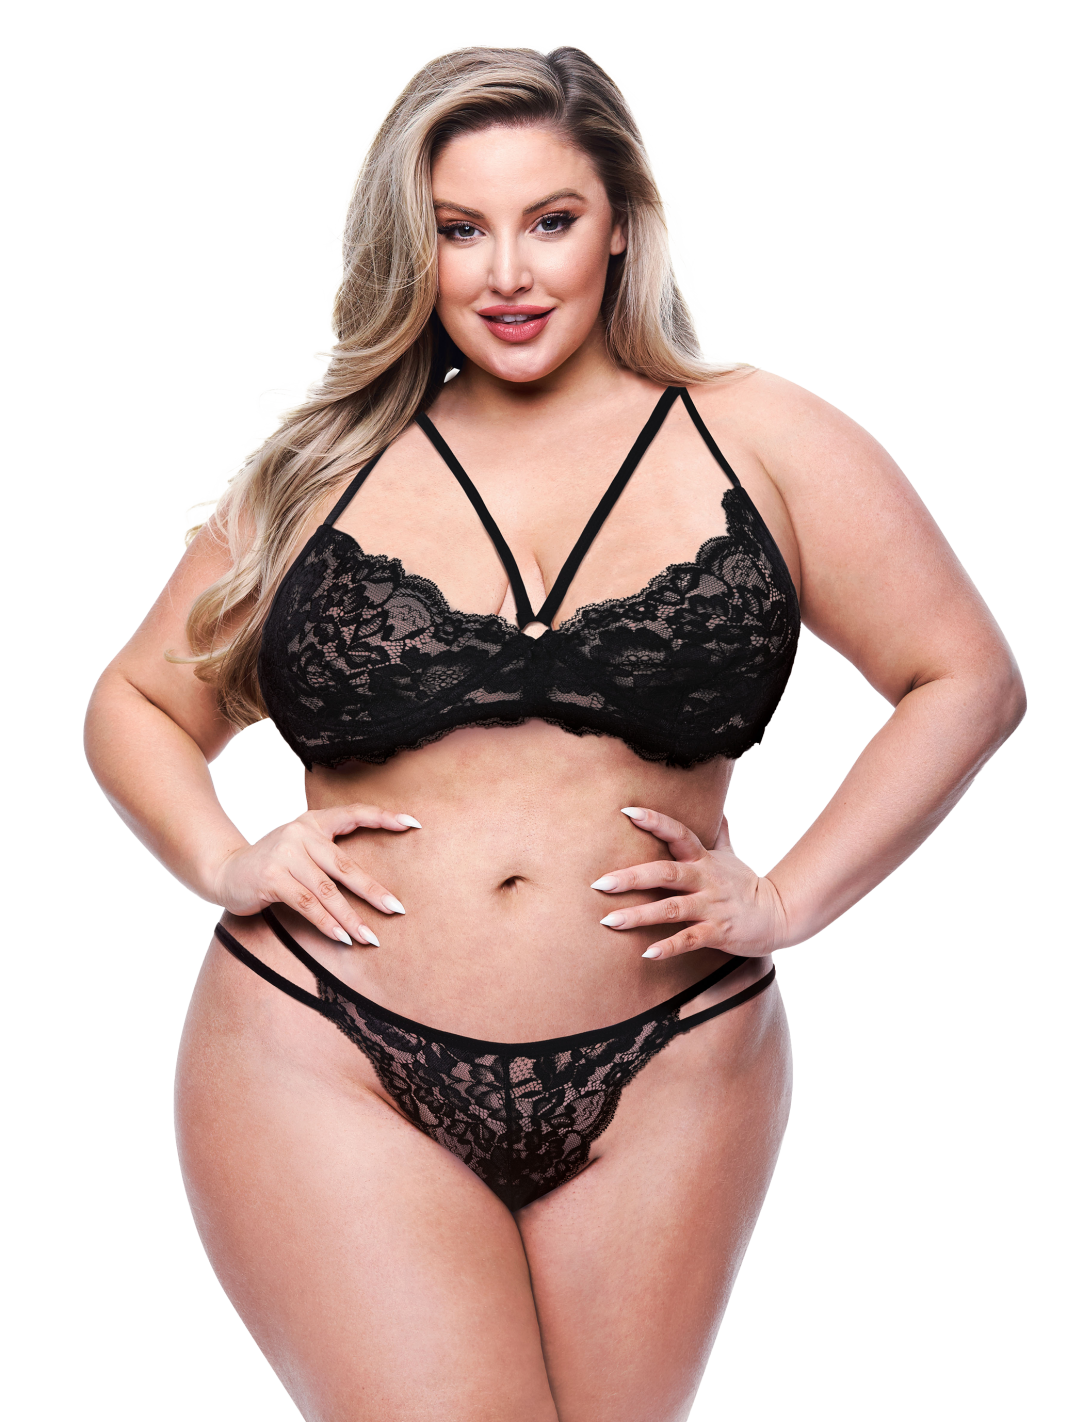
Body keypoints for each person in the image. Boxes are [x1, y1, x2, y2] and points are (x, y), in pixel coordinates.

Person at [82, 41, 1026, 1422]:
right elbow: (137, 702)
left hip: (677, 1061)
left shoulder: (765, 435)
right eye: (460, 229)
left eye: (552, 220)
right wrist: (224, 859)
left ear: (623, 225)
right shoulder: (321, 465)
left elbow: (967, 679)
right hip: (326, 1044)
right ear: (412, 247)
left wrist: (790, 899)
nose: (508, 274)